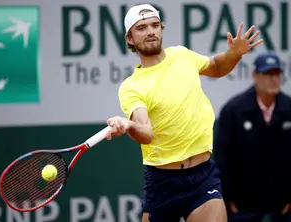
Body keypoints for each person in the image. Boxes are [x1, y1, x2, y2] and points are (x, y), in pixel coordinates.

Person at [105, 4, 263, 222]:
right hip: (162, 183)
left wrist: (233, 54)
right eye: (141, 28)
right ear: (130, 38)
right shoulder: (131, 87)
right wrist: (131, 126)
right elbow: (146, 133)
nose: (150, 31)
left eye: (155, 25)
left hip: (202, 176)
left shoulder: (181, 55)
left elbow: (216, 66)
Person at [214, 53, 291, 222]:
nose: (273, 79)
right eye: (267, 74)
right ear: (255, 76)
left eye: (276, 74)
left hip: (283, 203)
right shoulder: (233, 110)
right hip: (243, 204)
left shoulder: (289, 108)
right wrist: (227, 197)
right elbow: (223, 157)